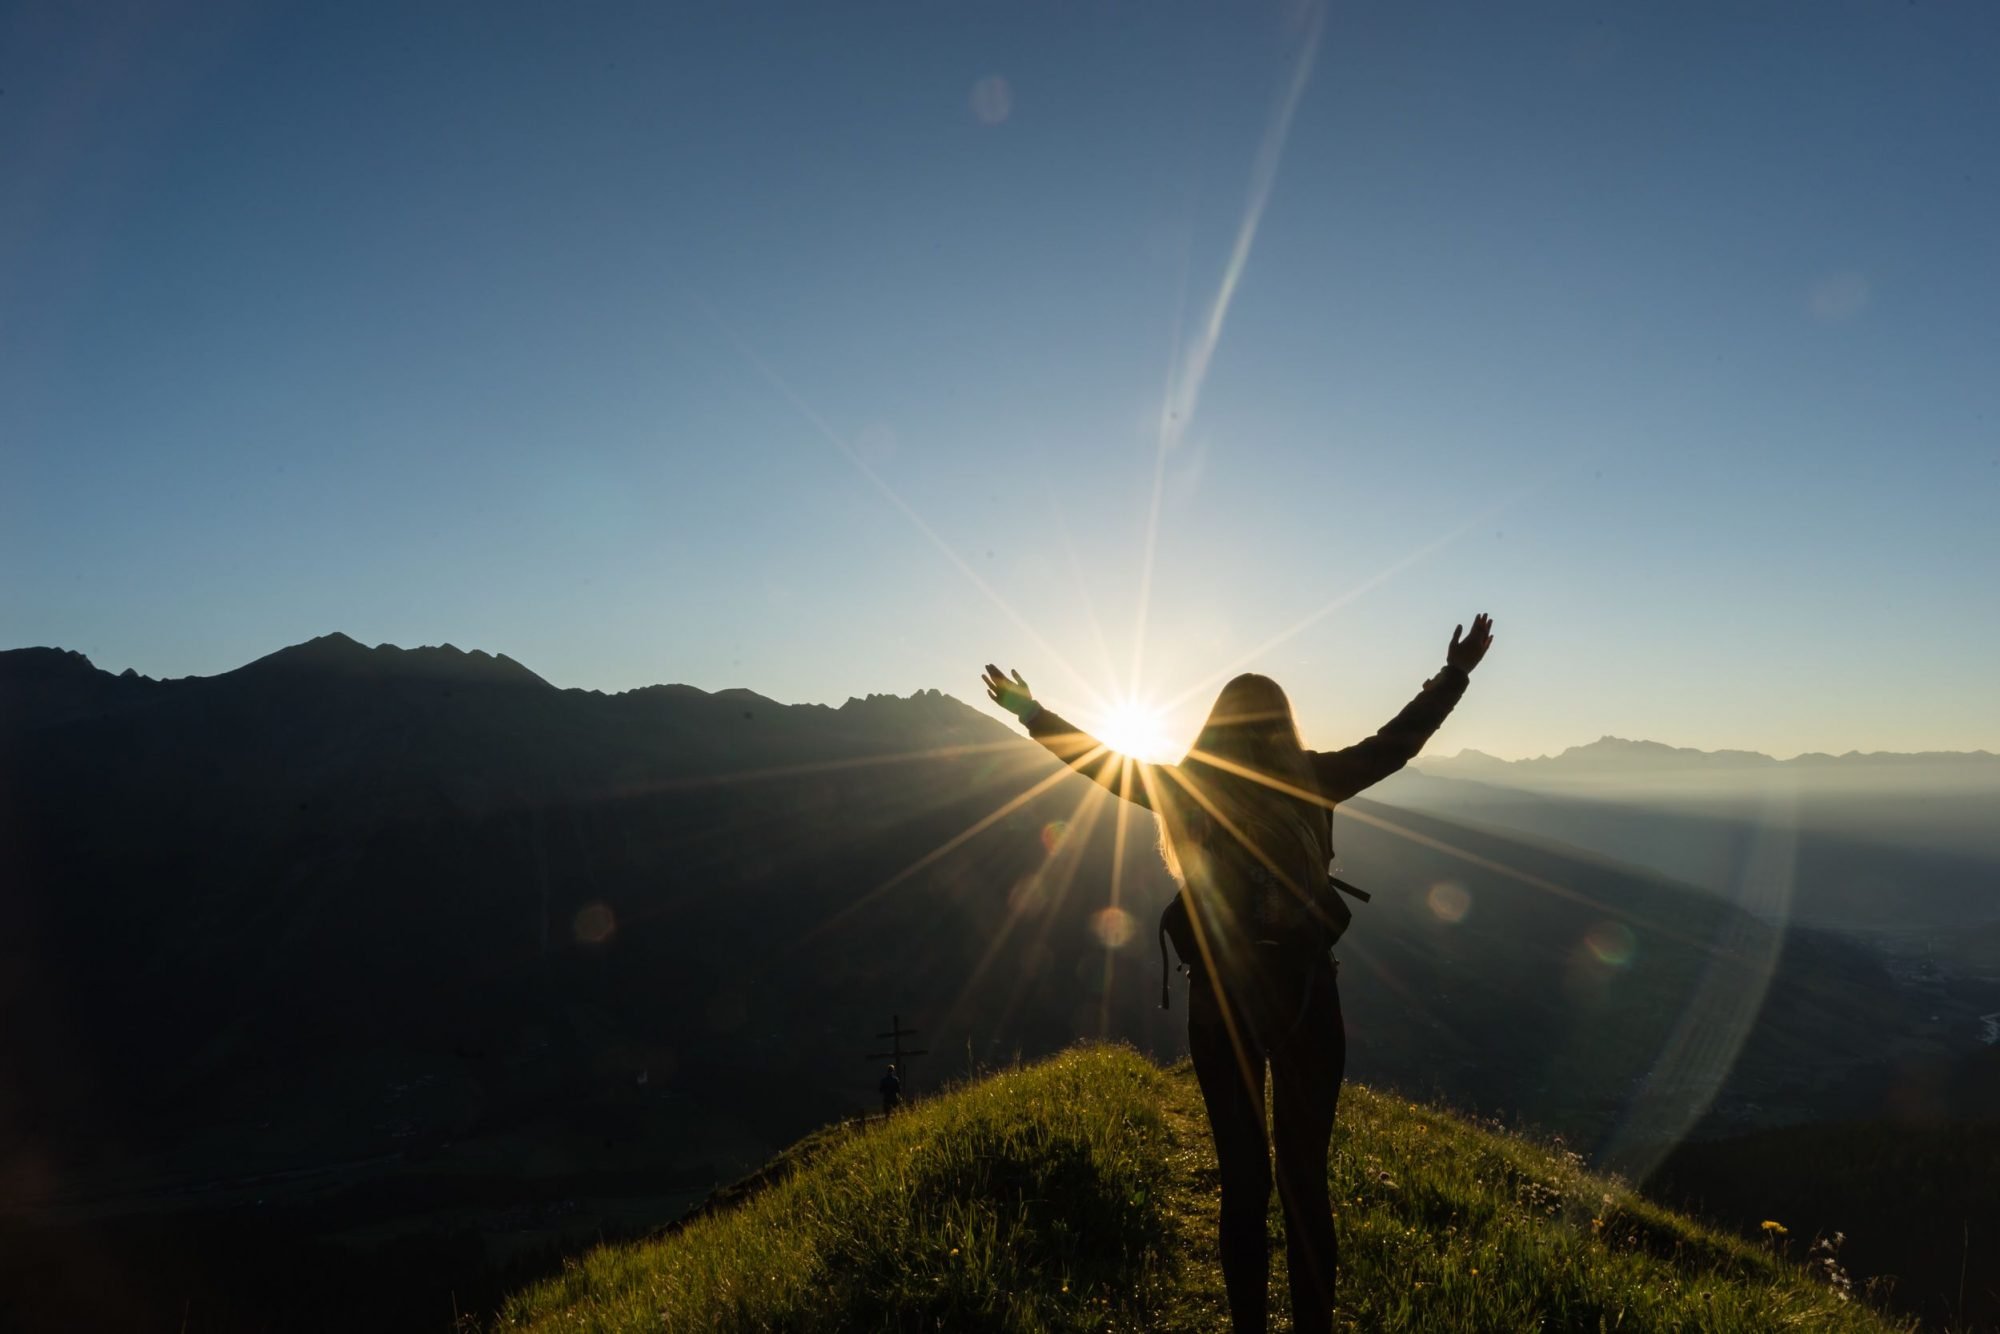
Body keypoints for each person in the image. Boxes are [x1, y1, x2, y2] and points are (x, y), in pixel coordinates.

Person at [981, 613, 1494, 1334]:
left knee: (1243, 1185)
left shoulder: (1186, 788)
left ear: (1215, 727)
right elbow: (1398, 742)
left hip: (1218, 1002)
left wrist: (1031, 713)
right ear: (1284, 724)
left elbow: (1096, 761)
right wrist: (1455, 675)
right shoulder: (1315, 778)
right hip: (1309, 995)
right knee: (1304, 1182)